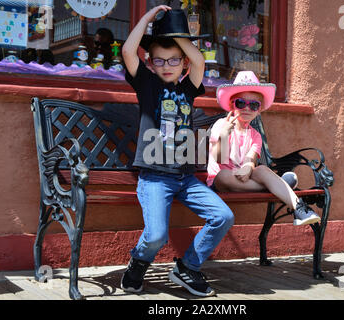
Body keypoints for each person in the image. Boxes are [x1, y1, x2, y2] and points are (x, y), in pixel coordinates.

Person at [120, 6, 233, 297]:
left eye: (174, 60)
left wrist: (175, 35)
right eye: (159, 60)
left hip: (185, 177)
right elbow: (129, 51)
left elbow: (198, 60)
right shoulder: (146, 84)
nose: (167, 65)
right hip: (155, 177)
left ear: (182, 62)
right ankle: (139, 262)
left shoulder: (188, 88)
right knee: (156, 235)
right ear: (151, 62)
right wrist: (147, 21)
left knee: (223, 216)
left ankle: (188, 266)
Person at [207, 70, 321, 226]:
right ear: (231, 104)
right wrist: (225, 135)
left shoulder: (255, 135)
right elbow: (219, 158)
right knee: (224, 175)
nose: (247, 108)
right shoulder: (221, 125)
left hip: (244, 179)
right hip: (221, 182)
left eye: (254, 105)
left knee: (261, 169)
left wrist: (248, 167)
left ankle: (300, 209)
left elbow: (251, 159)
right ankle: (278, 186)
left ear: (259, 110)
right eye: (241, 103)